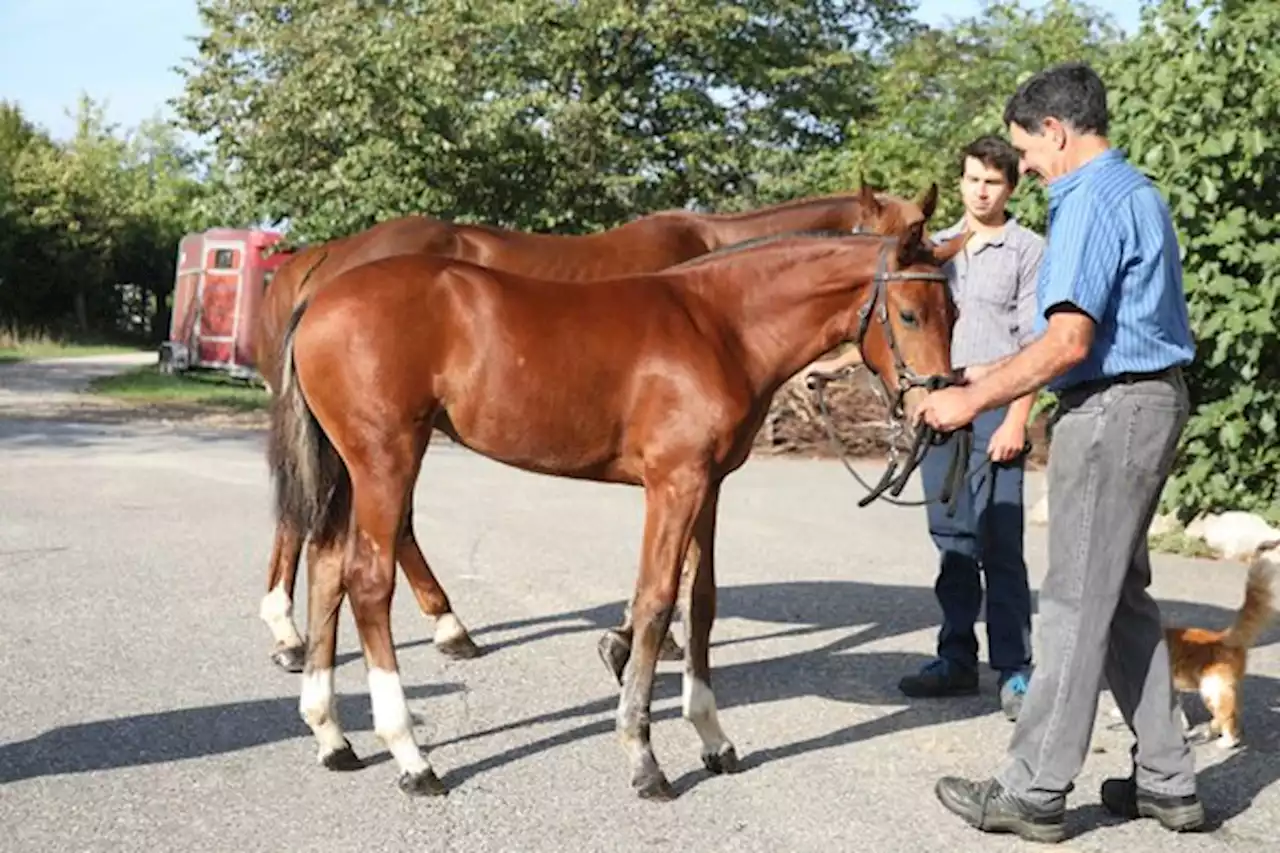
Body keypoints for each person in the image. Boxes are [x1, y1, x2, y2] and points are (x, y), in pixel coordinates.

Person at [919, 62, 1201, 843]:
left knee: (1076, 601)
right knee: (1122, 595)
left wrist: (970, 399)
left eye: (1027, 151)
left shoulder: (1082, 199)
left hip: (1112, 409)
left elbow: (1068, 340)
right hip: (1150, 399)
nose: (1027, 170)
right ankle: (1169, 781)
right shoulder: (1136, 190)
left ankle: (1032, 788)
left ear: (1056, 131)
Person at [893, 135, 1043, 723]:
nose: (981, 191)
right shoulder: (935, 250)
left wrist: (1015, 417)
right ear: (960, 181)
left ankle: (1014, 670)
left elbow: (1039, 344)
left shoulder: (1028, 249)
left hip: (995, 412)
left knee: (1000, 544)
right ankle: (955, 659)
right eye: (972, 179)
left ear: (1011, 188)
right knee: (952, 541)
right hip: (941, 410)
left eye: (993, 182)